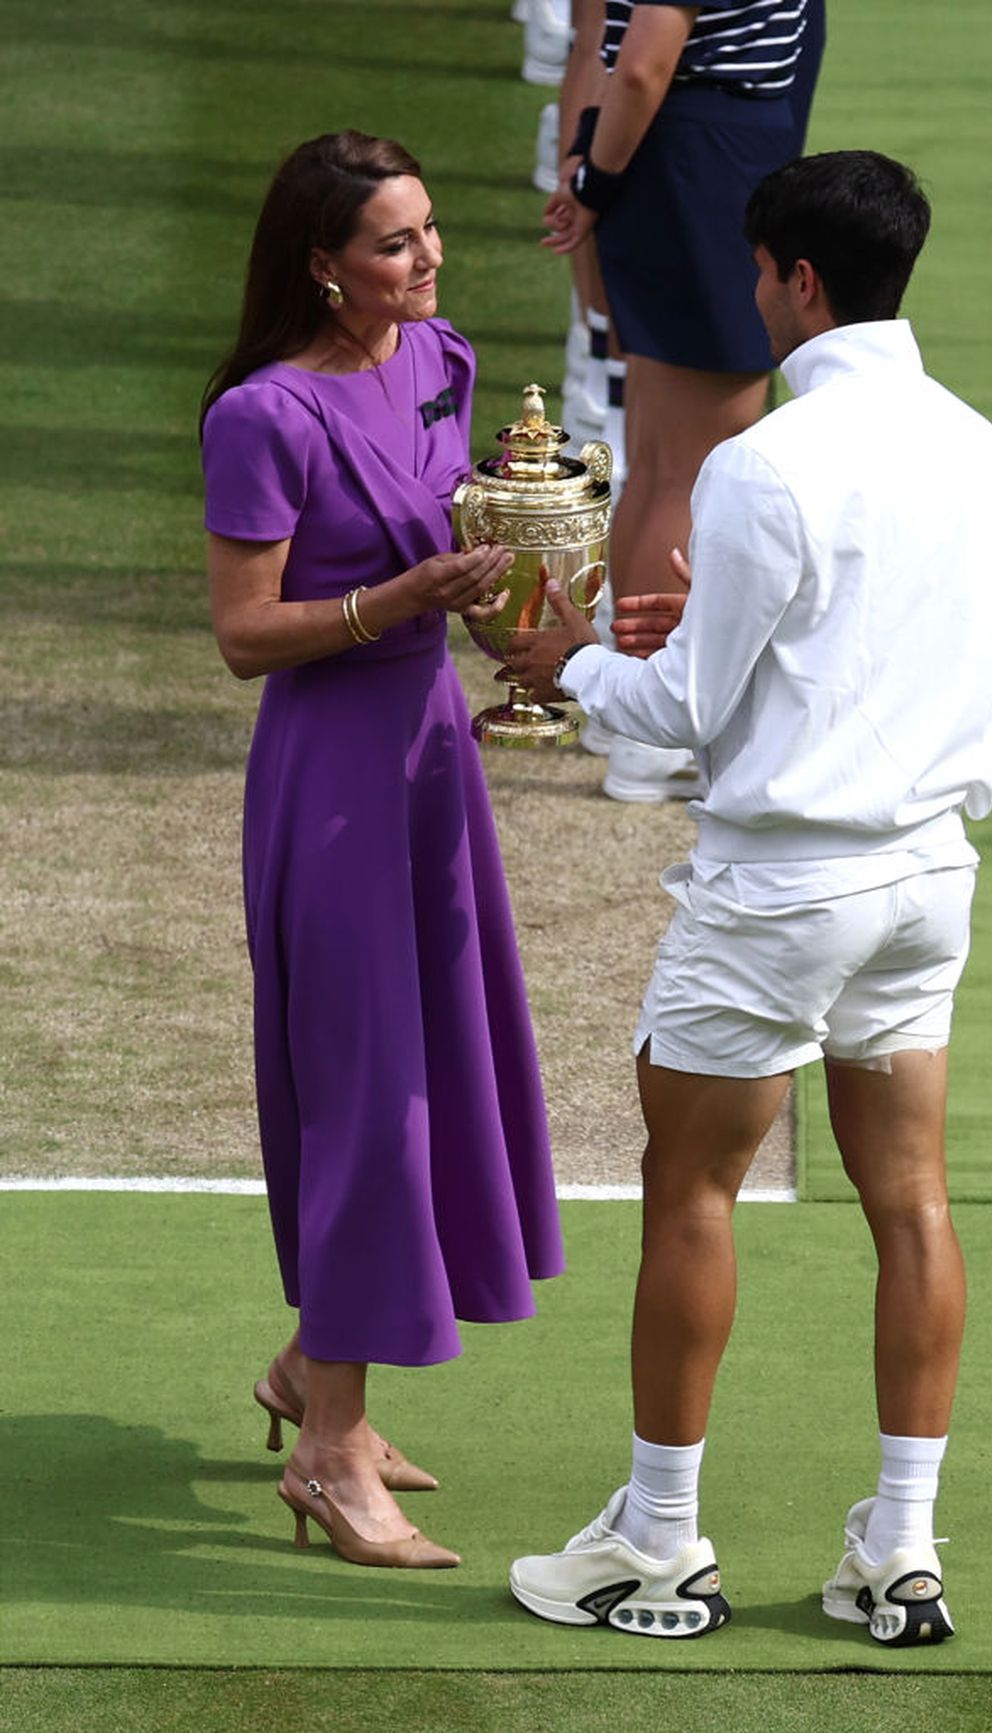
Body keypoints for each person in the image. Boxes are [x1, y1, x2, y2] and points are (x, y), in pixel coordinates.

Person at [505, 150, 992, 1642]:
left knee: (692, 1189)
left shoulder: (763, 464)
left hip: (783, 893)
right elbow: (858, 640)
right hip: (926, 885)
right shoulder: (984, 449)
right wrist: (702, 640)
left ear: (798, 279)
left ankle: (659, 1543)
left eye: (755, 271)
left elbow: (683, 713)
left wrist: (569, 663)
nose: (751, 294)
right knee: (913, 1202)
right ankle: (902, 1551)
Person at [200, 129, 564, 1571]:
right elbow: (244, 635)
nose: (427, 260)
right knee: (367, 1099)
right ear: (321, 265)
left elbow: (465, 536)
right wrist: (399, 599)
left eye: (429, 230)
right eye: (394, 243)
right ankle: (331, 1453)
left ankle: (313, 1368)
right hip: (331, 781)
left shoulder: (443, 359)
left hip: (431, 763)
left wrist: (519, 621)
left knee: (429, 1073)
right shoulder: (262, 417)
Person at [544, 0, 824, 801]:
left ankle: (621, 706)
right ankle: (643, 733)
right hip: (703, 164)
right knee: (689, 463)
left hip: (696, 155)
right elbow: (638, 63)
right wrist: (592, 183)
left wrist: (590, 166)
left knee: (661, 458)